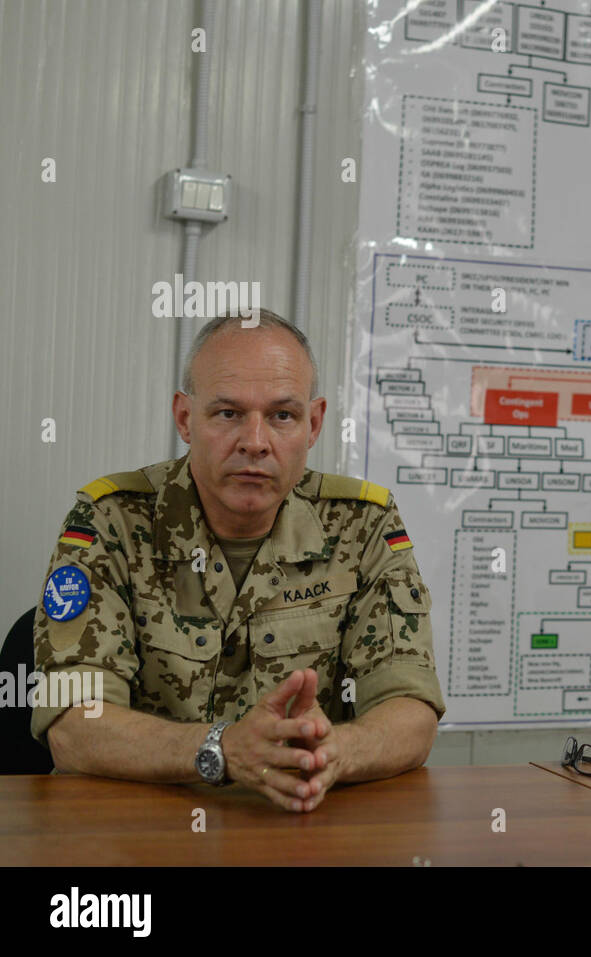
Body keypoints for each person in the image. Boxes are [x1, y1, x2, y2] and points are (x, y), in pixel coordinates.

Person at [32, 310, 445, 812]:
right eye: (228, 413)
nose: (254, 441)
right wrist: (221, 749)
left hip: (298, 827)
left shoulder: (363, 526)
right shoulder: (109, 522)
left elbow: (411, 710)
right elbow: (75, 726)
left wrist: (341, 752)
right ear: (185, 418)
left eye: (282, 416)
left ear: (313, 424)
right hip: (138, 830)